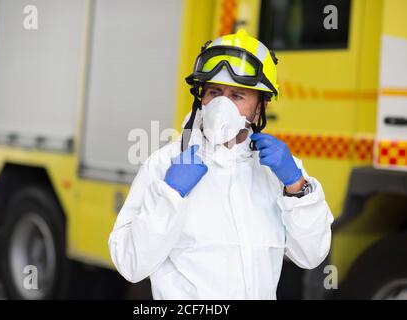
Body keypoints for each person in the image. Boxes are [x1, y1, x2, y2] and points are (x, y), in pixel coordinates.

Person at [108, 29, 334, 300]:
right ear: (201, 98)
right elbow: (131, 264)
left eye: (237, 96)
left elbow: (311, 255)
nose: (222, 105)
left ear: (260, 107)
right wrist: (170, 195)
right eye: (214, 92)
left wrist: (296, 187)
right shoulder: (165, 165)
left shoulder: (277, 172)